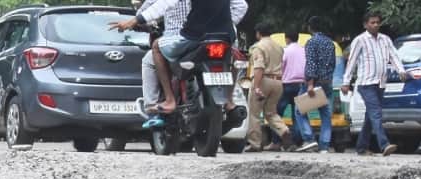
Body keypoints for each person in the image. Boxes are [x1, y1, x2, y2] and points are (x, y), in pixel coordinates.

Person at [110, 0, 248, 131]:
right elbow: (241, 6)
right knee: (235, 57)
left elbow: (163, 4)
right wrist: (228, 23)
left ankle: (168, 101)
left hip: (191, 37)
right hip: (226, 36)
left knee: (156, 48)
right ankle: (229, 100)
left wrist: (134, 21)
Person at [341, 11, 407, 156]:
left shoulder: (385, 39)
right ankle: (384, 144)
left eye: (377, 22)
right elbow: (351, 62)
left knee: (370, 117)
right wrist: (346, 82)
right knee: (376, 113)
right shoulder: (360, 40)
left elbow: (393, 56)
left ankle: (361, 147)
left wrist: (401, 70)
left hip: (380, 83)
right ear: (366, 25)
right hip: (366, 83)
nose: (376, 25)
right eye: (372, 22)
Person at [244, 22, 290, 152]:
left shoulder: (258, 47)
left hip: (263, 80)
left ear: (258, 33)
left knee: (254, 113)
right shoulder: (279, 47)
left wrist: (257, 86)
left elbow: (259, 68)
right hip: (278, 82)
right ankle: (284, 130)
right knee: (271, 112)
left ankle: (255, 143)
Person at [303, 16, 337, 153]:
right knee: (325, 113)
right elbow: (333, 64)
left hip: (315, 82)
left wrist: (310, 84)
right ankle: (324, 146)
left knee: (299, 111)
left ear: (309, 27)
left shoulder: (311, 42)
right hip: (327, 82)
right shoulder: (330, 43)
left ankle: (309, 139)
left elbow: (311, 64)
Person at [278, 27, 314, 147]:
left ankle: (277, 140)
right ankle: (297, 141)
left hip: (287, 85)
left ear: (286, 38)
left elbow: (281, 68)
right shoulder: (304, 51)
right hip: (301, 85)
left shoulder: (285, 51)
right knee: (298, 114)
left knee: (277, 113)